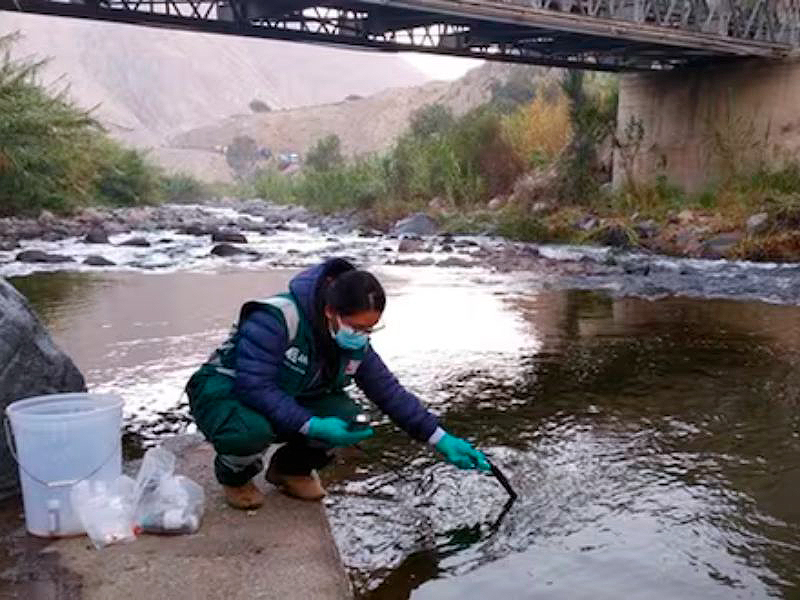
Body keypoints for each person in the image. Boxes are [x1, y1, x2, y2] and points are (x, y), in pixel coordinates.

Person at [185, 258, 490, 509]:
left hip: (290, 393)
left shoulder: (352, 341)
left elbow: (390, 393)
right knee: (248, 432)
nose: (362, 336)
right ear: (330, 311)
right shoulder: (276, 318)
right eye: (357, 327)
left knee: (349, 419)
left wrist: (440, 439)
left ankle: (290, 469)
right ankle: (234, 475)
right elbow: (254, 387)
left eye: (371, 329)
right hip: (227, 392)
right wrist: (311, 425)